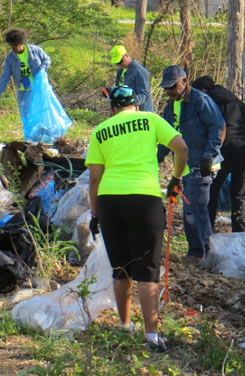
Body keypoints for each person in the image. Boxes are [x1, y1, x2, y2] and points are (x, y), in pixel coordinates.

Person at [86, 85, 188, 351]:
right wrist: (176, 179)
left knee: (120, 269)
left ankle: (124, 325)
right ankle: (151, 335)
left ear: (113, 108)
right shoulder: (151, 119)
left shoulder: (100, 130)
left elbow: (94, 178)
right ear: (136, 105)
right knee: (147, 272)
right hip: (144, 200)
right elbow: (181, 147)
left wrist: (95, 213)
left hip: (110, 201)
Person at [157, 66, 225, 264]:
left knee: (195, 209)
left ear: (184, 81)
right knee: (190, 209)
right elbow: (167, 136)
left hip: (202, 164)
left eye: (173, 86)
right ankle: (196, 252)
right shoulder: (170, 107)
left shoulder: (200, 101)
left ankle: (203, 254)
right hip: (184, 166)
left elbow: (218, 127)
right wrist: (158, 157)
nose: (169, 91)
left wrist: (209, 156)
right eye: (166, 88)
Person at [191, 75, 245, 232]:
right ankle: (241, 233)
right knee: (239, 195)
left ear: (202, 91)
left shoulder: (206, 103)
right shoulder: (232, 99)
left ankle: (207, 232)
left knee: (212, 190)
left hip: (224, 150)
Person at [0, 29, 51, 120]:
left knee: (39, 111)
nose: (13, 48)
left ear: (21, 43)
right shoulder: (10, 59)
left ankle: (42, 131)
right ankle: (29, 132)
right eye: (11, 45)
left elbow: (47, 60)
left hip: (38, 86)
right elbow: (4, 77)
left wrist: (43, 67)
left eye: (15, 45)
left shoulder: (35, 50)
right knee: (24, 113)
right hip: (23, 87)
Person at [109, 44, 154, 112]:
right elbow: (120, 91)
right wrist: (111, 92)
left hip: (142, 114)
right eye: (116, 63)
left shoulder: (140, 71)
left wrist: (128, 101)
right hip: (126, 113)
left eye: (120, 61)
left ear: (126, 56)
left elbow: (144, 96)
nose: (118, 64)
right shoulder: (120, 72)